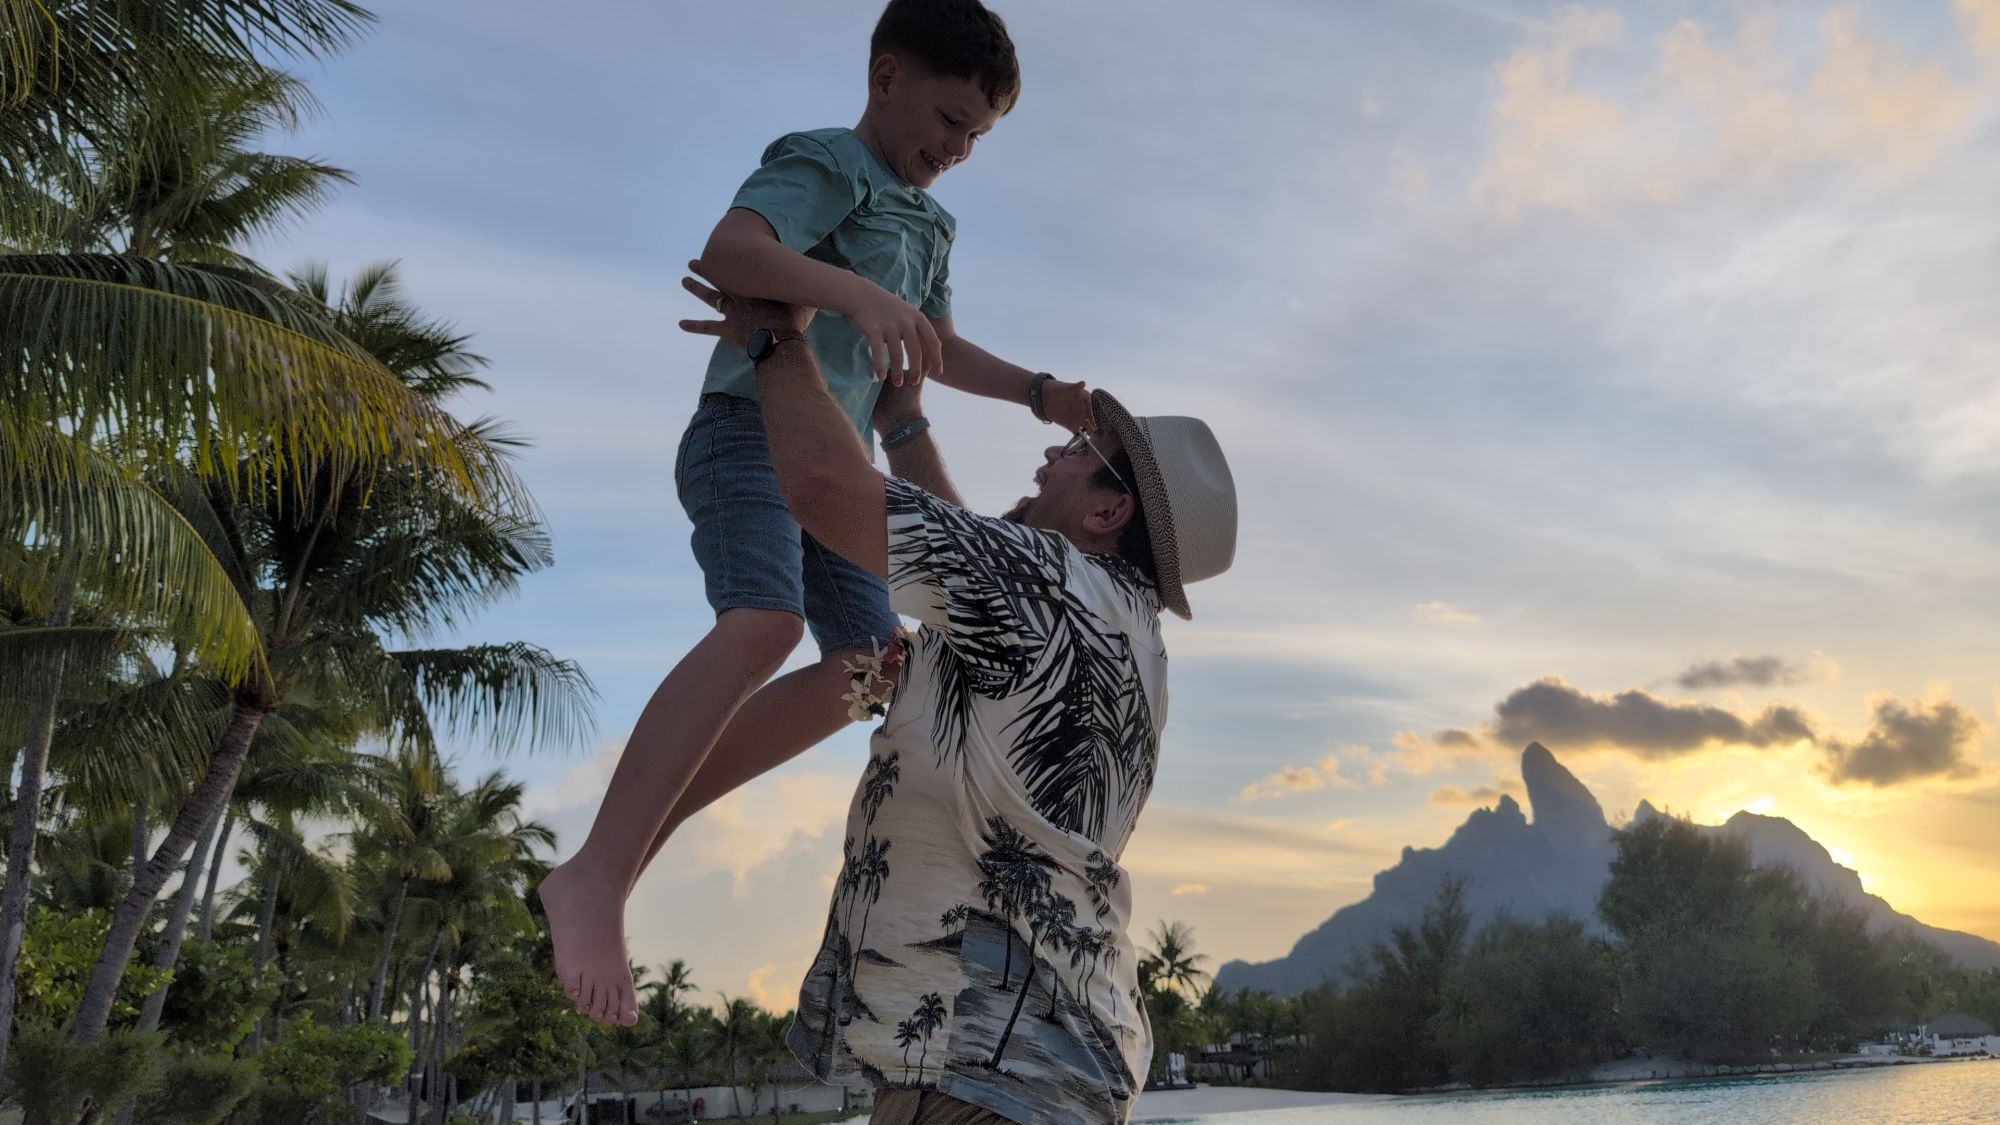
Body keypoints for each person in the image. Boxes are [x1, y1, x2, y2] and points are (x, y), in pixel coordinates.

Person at [538, 0, 1094, 1026]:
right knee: (764, 621)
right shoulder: (831, 161)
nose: (957, 149)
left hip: (838, 469)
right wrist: (851, 294)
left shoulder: (932, 224)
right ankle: (597, 873)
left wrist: (1037, 391)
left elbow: (933, 349)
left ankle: (637, 836)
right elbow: (732, 251)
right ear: (885, 79)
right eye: (949, 119)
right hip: (747, 430)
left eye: (977, 136)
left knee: (873, 662)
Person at [675, 266, 1238, 1125]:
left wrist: (775, 334)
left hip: (984, 1068)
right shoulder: (1125, 629)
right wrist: (902, 422)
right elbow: (966, 560)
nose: (1051, 452)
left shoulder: (1047, 585)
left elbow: (826, 489)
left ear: (1107, 512)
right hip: (1047, 1067)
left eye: (1077, 453)